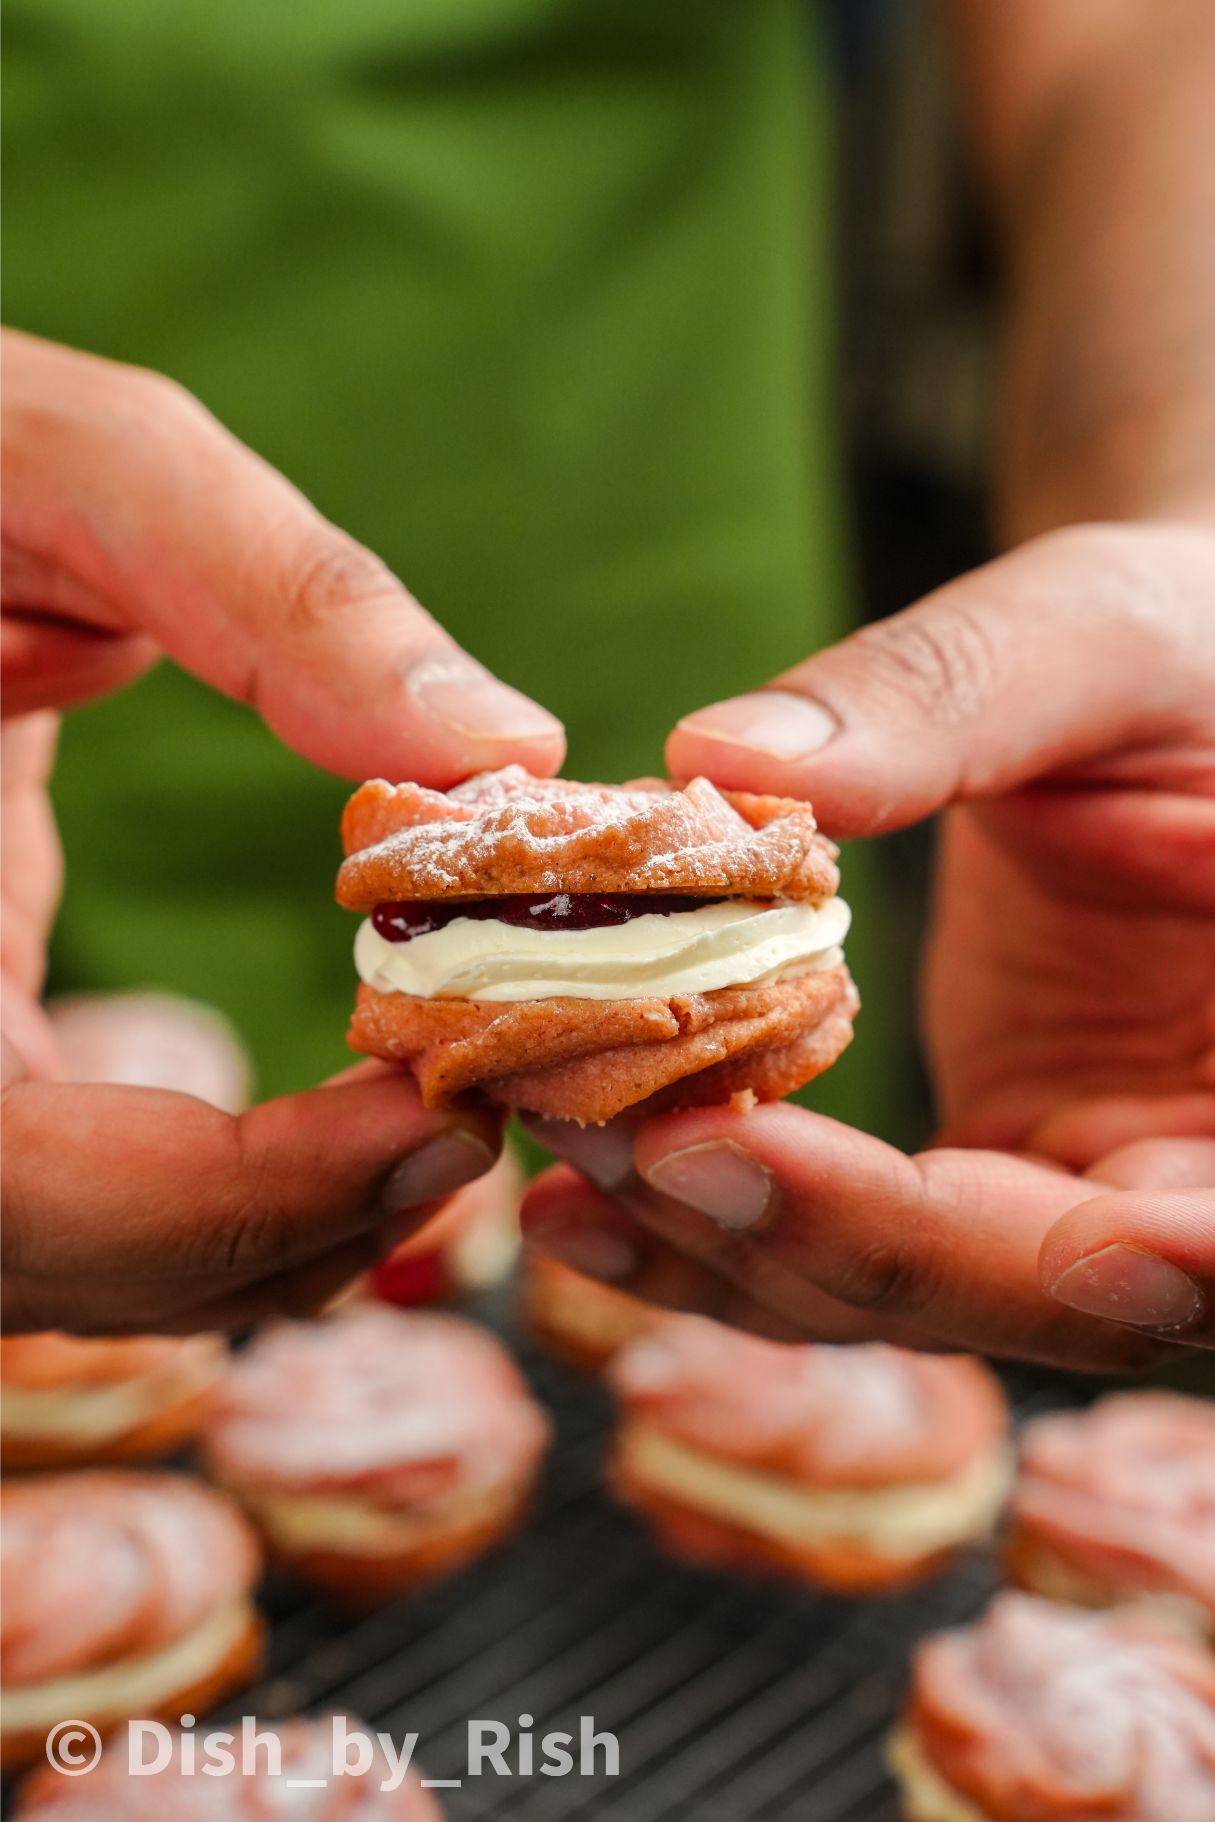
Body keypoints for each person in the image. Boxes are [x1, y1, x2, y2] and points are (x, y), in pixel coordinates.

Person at [3, 5, 1213, 1360]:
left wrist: (1184, 528)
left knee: (731, 1291)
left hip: (681, 632)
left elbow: (1138, 36)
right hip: (57, 722)